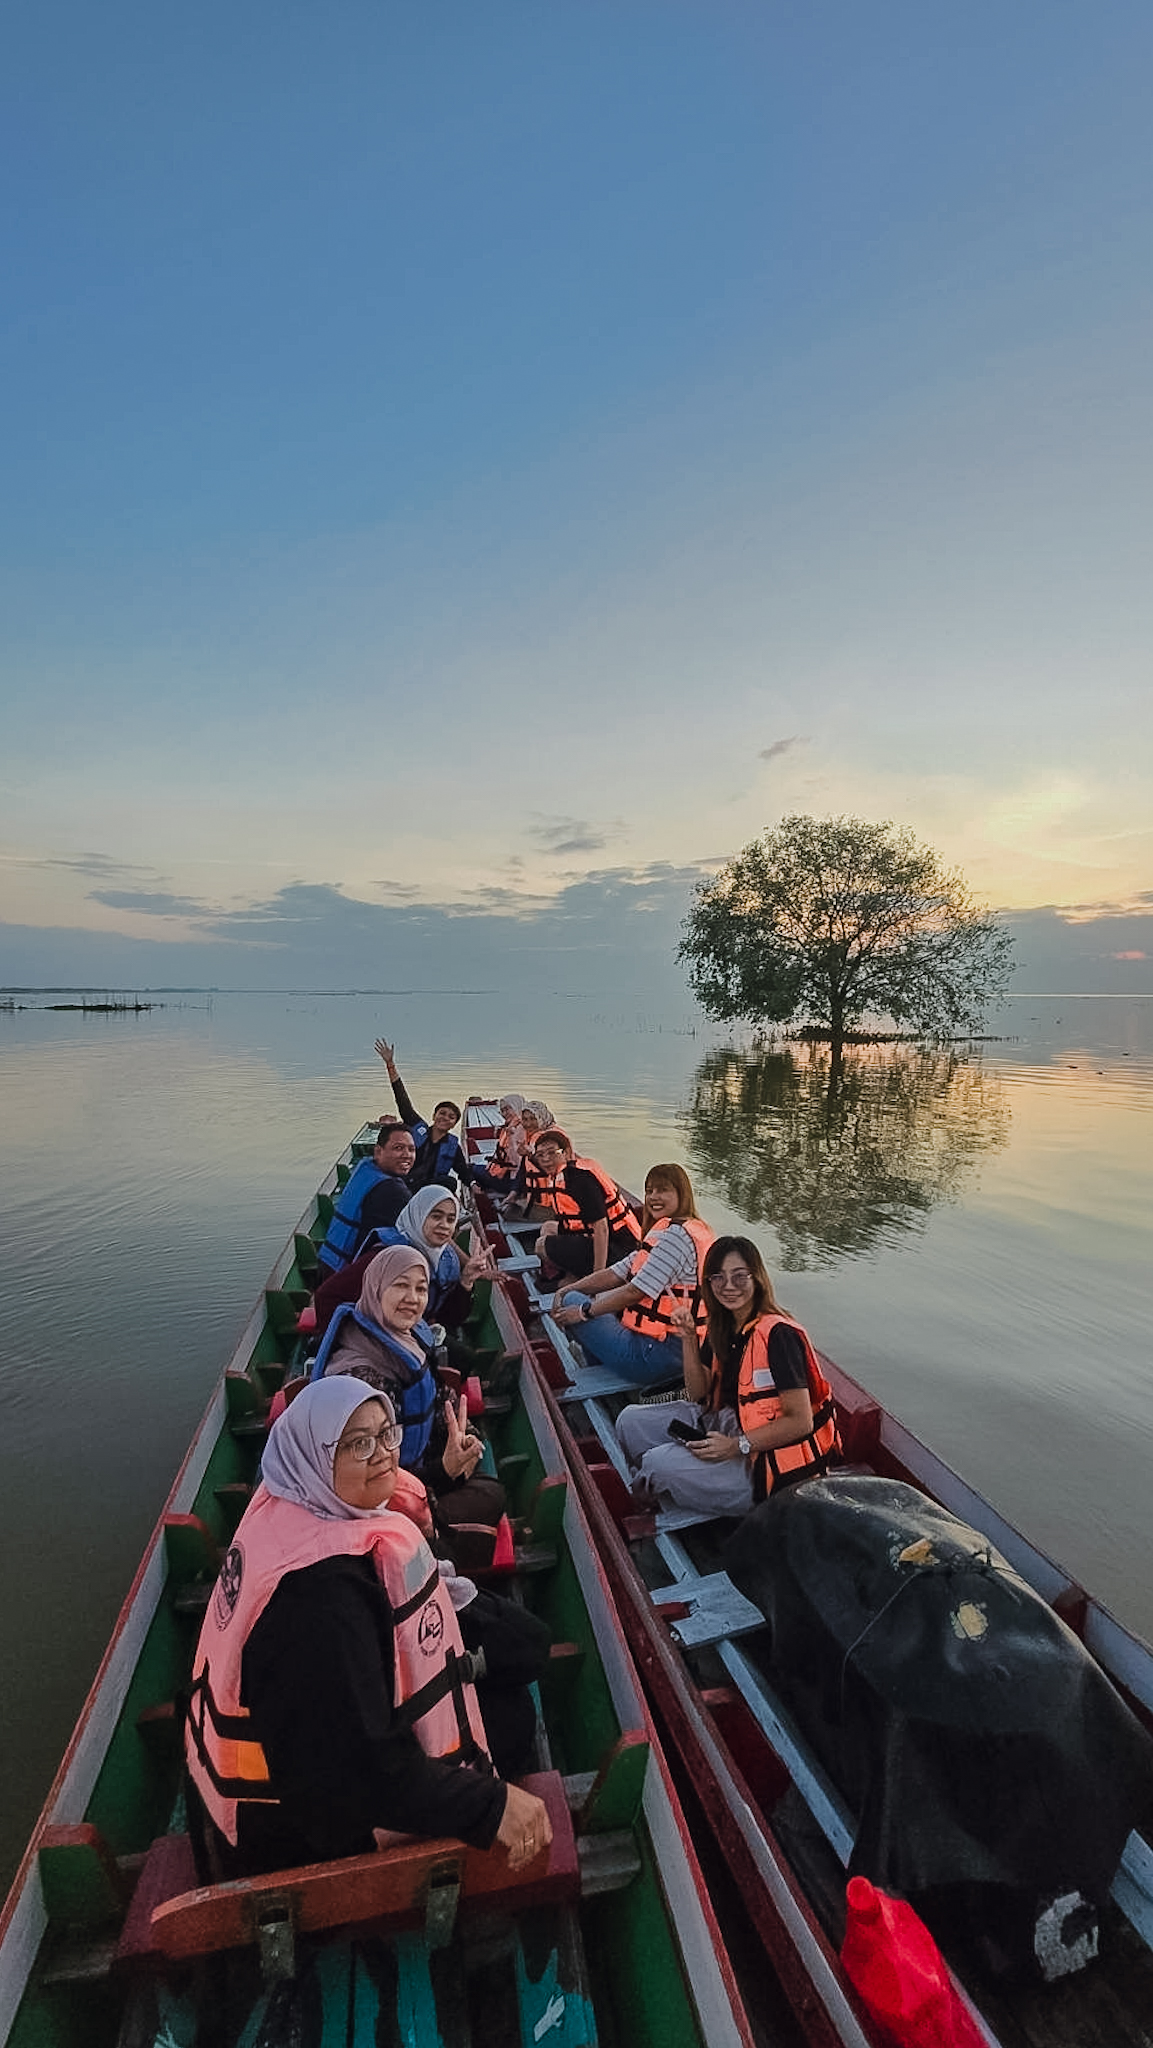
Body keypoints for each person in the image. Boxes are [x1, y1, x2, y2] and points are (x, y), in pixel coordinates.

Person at [184, 1375, 552, 1877]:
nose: (382, 1454)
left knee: (510, 1688)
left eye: (385, 1434)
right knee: (512, 1720)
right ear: (313, 1458)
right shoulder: (317, 1601)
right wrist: (491, 1806)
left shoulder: (285, 1506)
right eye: (357, 1443)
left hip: (302, 1770)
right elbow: (351, 1778)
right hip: (290, 1833)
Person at [615, 1236, 841, 1516]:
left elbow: (801, 1421)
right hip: (726, 1423)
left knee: (656, 1464)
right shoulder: (722, 1325)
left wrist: (735, 1446)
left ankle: (655, 1490)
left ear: (757, 1278)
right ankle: (663, 1485)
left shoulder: (779, 1336)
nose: (729, 1286)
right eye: (718, 1277)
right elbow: (697, 1393)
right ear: (709, 1283)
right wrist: (688, 1339)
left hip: (768, 1464)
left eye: (739, 1276)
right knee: (629, 1422)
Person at [315, 1244, 506, 1545]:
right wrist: (444, 1471)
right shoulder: (361, 1381)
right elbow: (370, 1487)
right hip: (374, 1504)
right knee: (490, 1495)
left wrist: (464, 1435)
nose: (413, 1298)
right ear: (376, 1288)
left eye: (421, 1289)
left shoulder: (403, 1338)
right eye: (401, 1286)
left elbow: (439, 1394)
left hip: (413, 1467)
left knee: (484, 1481)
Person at [551, 1165, 714, 1387]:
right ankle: (601, 1363)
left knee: (573, 1303)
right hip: (676, 1350)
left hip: (658, 1355)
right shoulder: (681, 1230)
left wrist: (581, 1311)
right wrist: (567, 1288)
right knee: (582, 1296)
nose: (653, 1197)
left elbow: (634, 1292)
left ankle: (597, 1365)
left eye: (663, 1190)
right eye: (649, 1191)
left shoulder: (676, 1237)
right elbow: (616, 1272)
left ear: (681, 1194)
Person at [529, 1128, 642, 1281]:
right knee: (548, 1227)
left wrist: (597, 1276)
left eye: (552, 1153)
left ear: (567, 1153)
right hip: (593, 1236)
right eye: (540, 1155)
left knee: (541, 1246)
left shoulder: (579, 1180)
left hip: (619, 1249)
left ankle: (585, 1277)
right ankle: (569, 1273)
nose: (546, 1159)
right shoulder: (562, 1176)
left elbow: (601, 1228)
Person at [316, 1123, 418, 1276]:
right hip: (346, 1273)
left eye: (411, 1149)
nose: (407, 1155)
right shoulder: (392, 1190)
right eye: (398, 1148)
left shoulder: (366, 1168)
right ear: (378, 1152)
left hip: (327, 1262)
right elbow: (420, 1231)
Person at [374, 1040, 472, 1191]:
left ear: (454, 1124)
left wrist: (473, 1184)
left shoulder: (453, 1147)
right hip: (405, 1182)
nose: (445, 1118)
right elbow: (403, 1102)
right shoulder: (417, 1128)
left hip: (429, 1189)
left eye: (451, 1117)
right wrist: (390, 1065)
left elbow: (463, 1171)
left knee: (450, 1182)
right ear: (434, 1116)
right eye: (442, 1113)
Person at [470, 1095, 526, 1194]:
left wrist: (510, 1137)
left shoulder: (518, 1130)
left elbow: (517, 1161)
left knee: (469, 1169)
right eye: (502, 1110)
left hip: (510, 1181)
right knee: (475, 1169)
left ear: (517, 1107)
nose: (505, 1113)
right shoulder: (514, 1126)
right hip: (507, 1176)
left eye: (508, 1109)